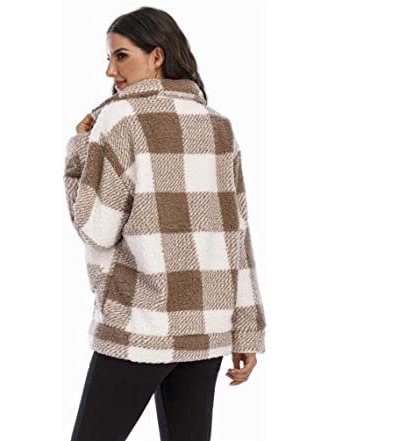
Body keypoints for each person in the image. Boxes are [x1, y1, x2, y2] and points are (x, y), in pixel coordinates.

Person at [64, 6, 266, 441]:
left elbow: (95, 227)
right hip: (207, 326)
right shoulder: (219, 127)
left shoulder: (119, 120)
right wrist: (246, 331)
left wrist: (81, 149)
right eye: (109, 58)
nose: (110, 71)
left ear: (157, 56)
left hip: (141, 323)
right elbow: (238, 236)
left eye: (121, 56)